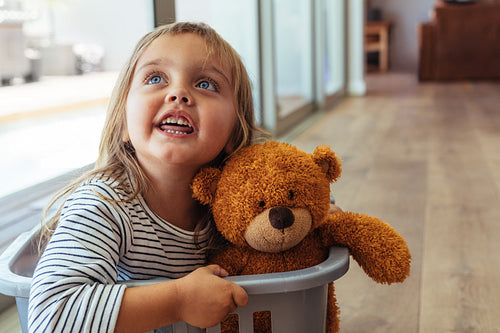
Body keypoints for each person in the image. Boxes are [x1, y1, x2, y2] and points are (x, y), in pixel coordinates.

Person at [28, 22, 260, 333]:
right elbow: (50, 317)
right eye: (155, 79)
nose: (179, 93)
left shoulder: (242, 191)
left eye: (206, 84)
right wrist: (178, 300)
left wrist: (316, 219)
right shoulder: (103, 204)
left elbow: (297, 197)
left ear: (235, 129)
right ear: (123, 121)